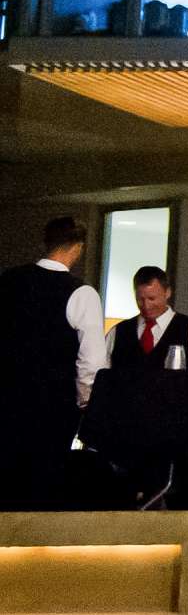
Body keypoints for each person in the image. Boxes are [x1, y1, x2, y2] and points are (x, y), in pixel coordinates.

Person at [0, 217, 109, 509]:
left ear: (45, 242)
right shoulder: (80, 293)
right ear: (79, 248)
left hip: (6, 400)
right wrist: (88, 405)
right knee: (41, 488)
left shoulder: (7, 282)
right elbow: (92, 362)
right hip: (52, 405)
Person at [108, 266, 188, 372]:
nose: (146, 305)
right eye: (140, 299)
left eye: (152, 298)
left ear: (167, 292)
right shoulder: (118, 332)